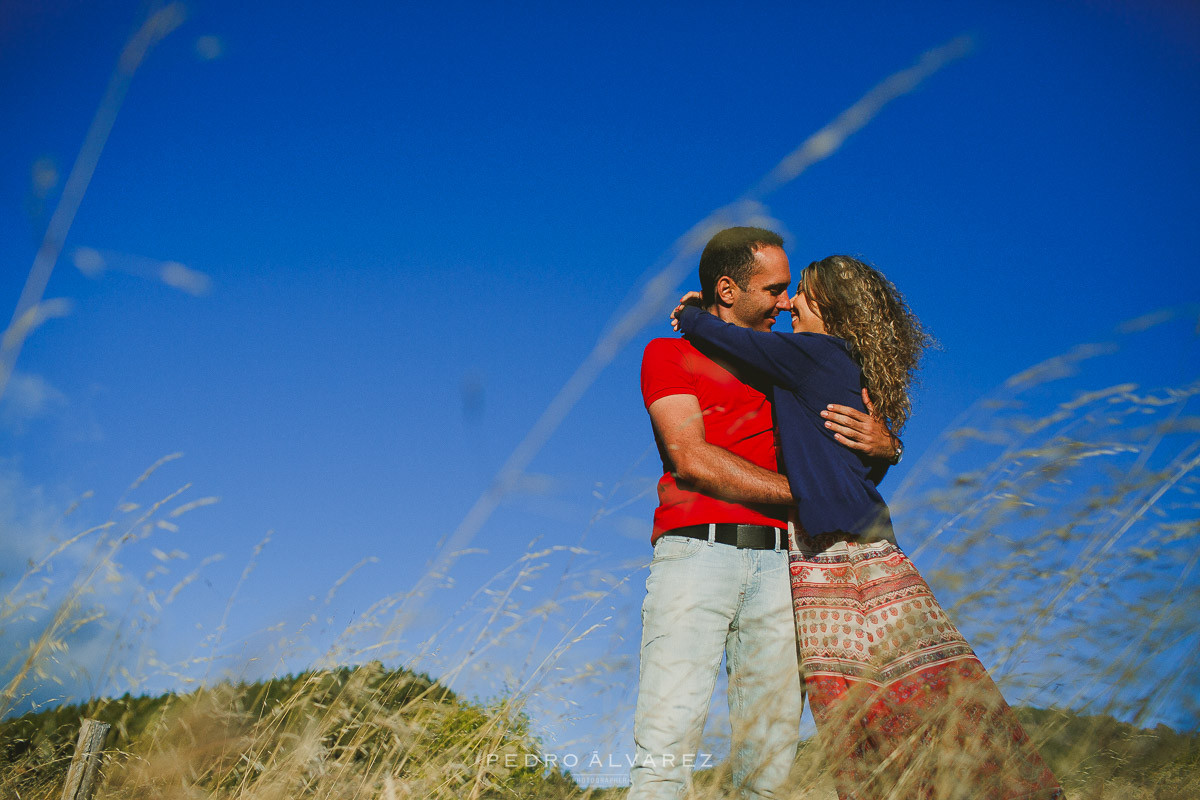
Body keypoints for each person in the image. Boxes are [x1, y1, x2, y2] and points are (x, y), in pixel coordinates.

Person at [672, 255, 1063, 800]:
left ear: (828, 307)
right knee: (923, 685)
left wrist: (691, 314)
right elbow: (851, 464)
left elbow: (735, 342)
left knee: (857, 704)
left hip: (837, 555)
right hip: (869, 546)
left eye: (800, 294)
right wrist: (891, 447)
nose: (787, 304)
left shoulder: (815, 353)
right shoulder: (844, 367)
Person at [633, 229, 897, 800]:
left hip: (786, 570)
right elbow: (692, 458)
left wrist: (885, 447)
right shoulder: (669, 352)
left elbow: (846, 467)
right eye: (775, 289)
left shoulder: (795, 366)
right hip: (695, 554)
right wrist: (810, 496)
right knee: (665, 750)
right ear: (727, 290)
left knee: (769, 769)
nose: (786, 301)